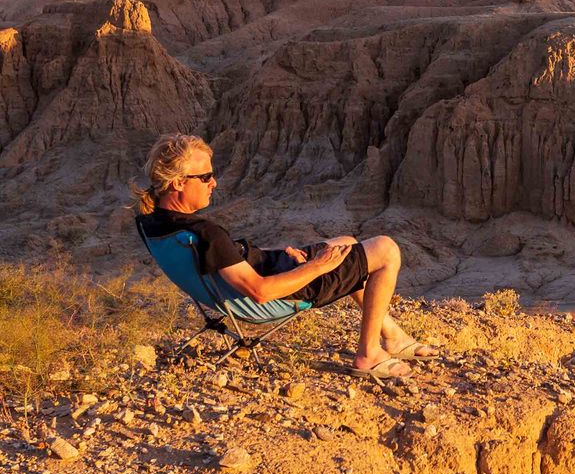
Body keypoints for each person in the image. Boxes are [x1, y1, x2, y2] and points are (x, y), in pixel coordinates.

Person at [132, 133, 431, 379]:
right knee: (386, 249)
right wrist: (315, 267)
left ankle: (393, 336)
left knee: (348, 242)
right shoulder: (207, 234)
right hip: (281, 293)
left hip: (260, 277)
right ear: (178, 183)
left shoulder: (151, 223)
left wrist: (283, 258)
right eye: (206, 176)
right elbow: (260, 292)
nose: (214, 183)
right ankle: (369, 354)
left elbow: (237, 268)